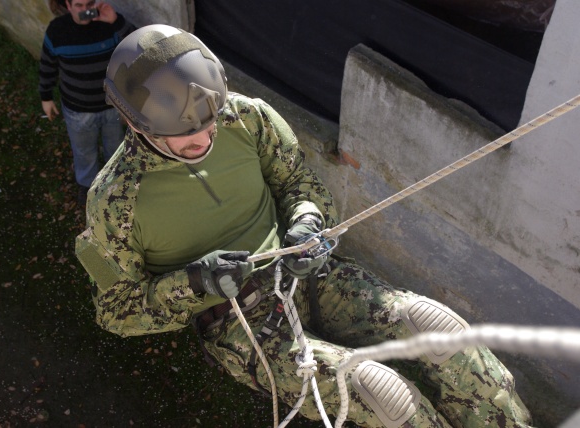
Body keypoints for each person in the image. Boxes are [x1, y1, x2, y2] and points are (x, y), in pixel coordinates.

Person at [75, 24, 533, 427]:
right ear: (135, 125)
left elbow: (299, 184)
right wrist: (194, 282)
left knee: (443, 333)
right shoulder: (115, 201)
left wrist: (307, 223)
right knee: (381, 395)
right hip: (241, 323)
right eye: (181, 135)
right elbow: (117, 311)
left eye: (210, 122)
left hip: (307, 277)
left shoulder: (246, 118)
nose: (203, 138)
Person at [38, 0, 135, 206]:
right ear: (68, 4)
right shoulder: (57, 31)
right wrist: (46, 97)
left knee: (115, 148)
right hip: (77, 110)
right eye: (79, 5)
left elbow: (138, 45)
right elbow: (48, 65)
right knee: (84, 152)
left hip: (112, 107)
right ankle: (87, 185)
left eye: (89, 4)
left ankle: (115, 183)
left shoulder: (109, 24)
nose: (86, 11)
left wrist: (116, 21)